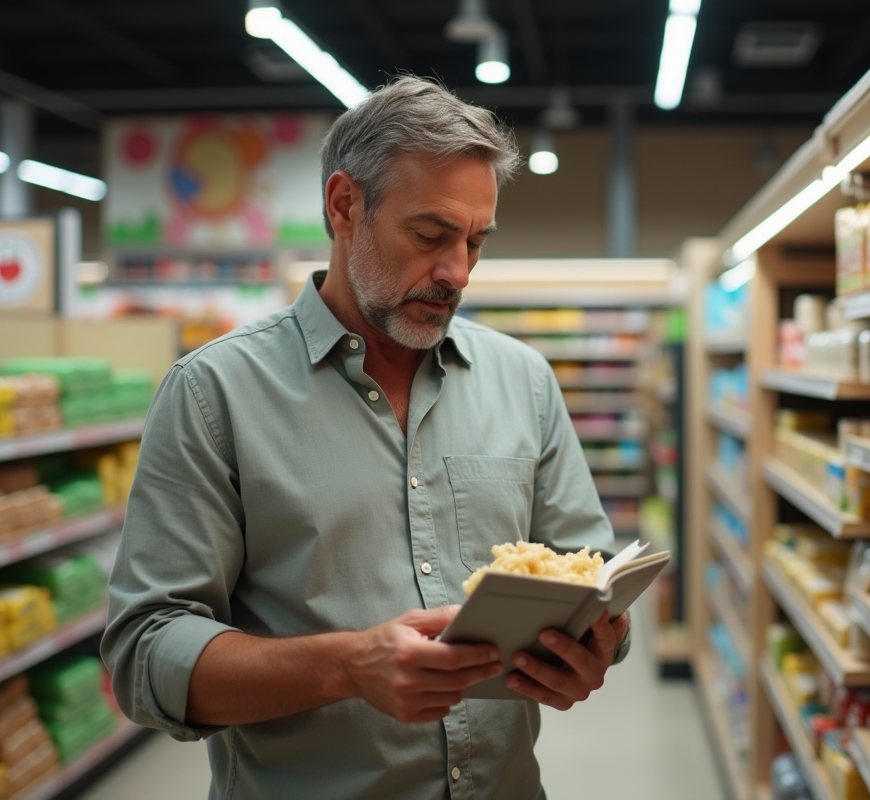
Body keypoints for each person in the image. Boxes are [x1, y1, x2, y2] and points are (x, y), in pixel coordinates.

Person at [102, 76, 630, 800]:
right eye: (430, 235)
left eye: (476, 242)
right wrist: (345, 666)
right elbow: (145, 654)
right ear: (344, 205)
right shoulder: (213, 393)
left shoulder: (524, 381)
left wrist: (600, 642)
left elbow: (590, 572)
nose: (457, 272)